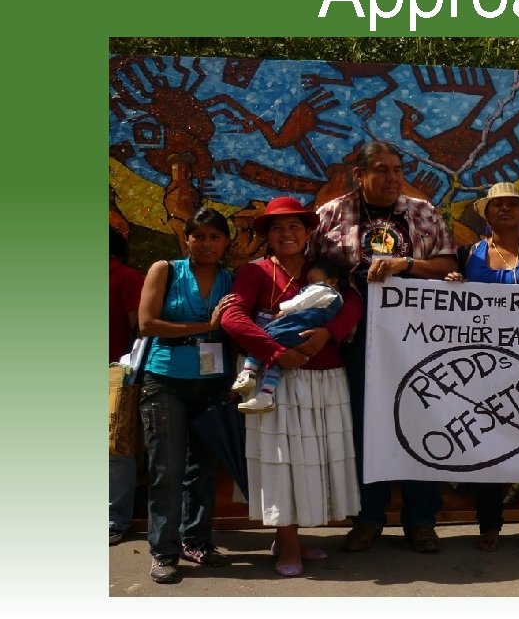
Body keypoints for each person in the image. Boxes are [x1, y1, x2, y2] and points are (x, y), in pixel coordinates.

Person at [308, 140, 457, 554]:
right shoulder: (331, 214)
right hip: (356, 339)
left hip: (418, 339)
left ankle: (421, 520)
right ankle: (368, 517)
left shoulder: (422, 212)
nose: (392, 178)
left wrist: (404, 264)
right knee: (364, 425)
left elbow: (448, 265)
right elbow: (311, 268)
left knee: (421, 418)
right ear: (360, 175)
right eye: (381, 170)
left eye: (397, 169)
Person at [220, 196, 364, 577]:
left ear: (307, 232)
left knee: (312, 462)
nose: (287, 234)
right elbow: (232, 317)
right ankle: (286, 542)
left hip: (323, 379)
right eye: (278, 228)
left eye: (294, 227)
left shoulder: (321, 270)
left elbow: (352, 302)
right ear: (268, 236)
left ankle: (292, 538)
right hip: (276, 382)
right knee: (282, 462)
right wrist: (275, 352)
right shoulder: (255, 273)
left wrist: (327, 334)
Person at [444, 182, 519, 552]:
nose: (506, 210)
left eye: (513, 204)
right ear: (486, 213)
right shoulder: (466, 254)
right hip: (479, 368)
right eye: (498, 205)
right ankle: (489, 525)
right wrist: (453, 285)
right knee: (487, 443)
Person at [137, 208, 236, 584]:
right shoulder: (165, 270)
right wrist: (205, 326)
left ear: (226, 242)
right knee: (167, 468)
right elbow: (147, 323)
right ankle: (164, 550)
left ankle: (196, 541)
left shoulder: (231, 278)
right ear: (187, 239)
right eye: (199, 236)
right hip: (166, 380)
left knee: (203, 469)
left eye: (215, 237)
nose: (207, 243)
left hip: (212, 382)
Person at [231, 257, 348, 414]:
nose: (309, 285)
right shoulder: (338, 300)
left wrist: (282, 311)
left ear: (332, 281)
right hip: (302, 336)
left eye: (312, 281)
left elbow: (300, 303)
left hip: (293, 328)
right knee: (276, 364)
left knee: (262, 336)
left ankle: (248, 373)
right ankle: (266, 395)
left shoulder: (322, 290)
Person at [109, 226, 145, 546]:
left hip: (113, 376)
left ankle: (114, 519)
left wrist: (131, 373)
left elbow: (140, 331)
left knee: (115, 448)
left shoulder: (125, 277)